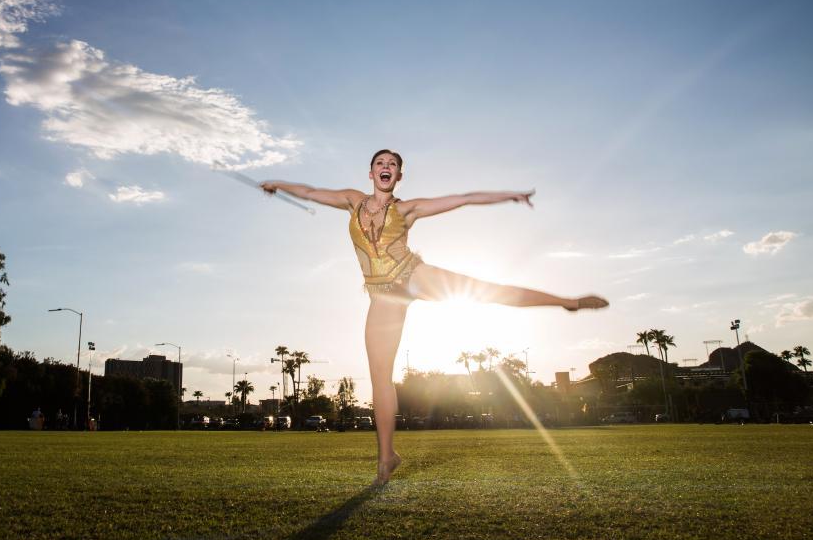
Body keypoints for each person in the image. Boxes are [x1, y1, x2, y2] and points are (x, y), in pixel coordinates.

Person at [261, 149, 608, 486]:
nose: (386, 167)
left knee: (487, 290)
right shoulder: (352, 201)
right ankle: (387, 456)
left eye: (393, 164)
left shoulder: (408, 210)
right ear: (371, 173)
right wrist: (278, 184)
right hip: (382, 296)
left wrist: (509, 195)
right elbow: (309, 191)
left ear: (399, 176)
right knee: (380, 376)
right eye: (380, 163)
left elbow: (463, 198)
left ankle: (567, 302)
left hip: (412, 276)